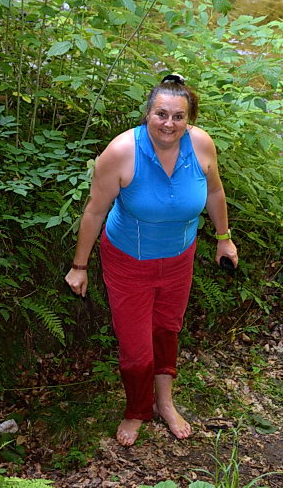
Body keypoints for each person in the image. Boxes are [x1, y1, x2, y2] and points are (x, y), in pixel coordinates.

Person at [64, 73, 238, 446]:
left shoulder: (201, 145)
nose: (169, 124)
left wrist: (224, 239)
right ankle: (137, 409)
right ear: (148, 113)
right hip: (129, 263)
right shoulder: (122, 152)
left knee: (166, 331)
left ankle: (164, 402)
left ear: (189, 119)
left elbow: (215, 192)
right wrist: (79, 266)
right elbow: (94, 211)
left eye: (178, 116)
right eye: (161, 114)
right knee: (136, 347)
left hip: (179, 260)